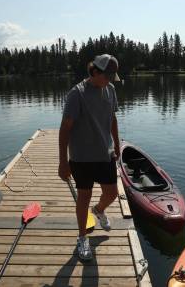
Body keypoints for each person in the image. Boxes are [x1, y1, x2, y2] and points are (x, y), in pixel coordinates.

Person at [58, 54, 121, 261]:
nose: (110, 81)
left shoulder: (110, 90)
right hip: (82, 157)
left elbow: (112, 117)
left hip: (105, 153)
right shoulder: (77, 94)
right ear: (94, 72)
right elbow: (65, 128)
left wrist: (117, 144)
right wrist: (63, 161)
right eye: (107, 76)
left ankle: (99, 210)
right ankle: (82, 237)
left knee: (111, 194)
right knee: (83, 197)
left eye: (113, 77)